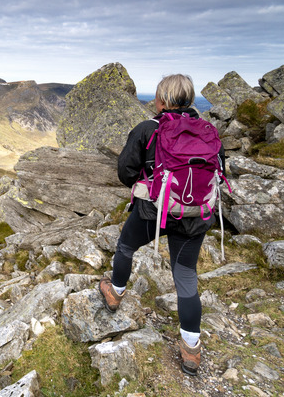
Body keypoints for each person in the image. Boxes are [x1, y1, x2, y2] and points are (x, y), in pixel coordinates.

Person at [98, 73, 225, 377]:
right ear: (190, 100)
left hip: (153, 211)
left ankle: (114, 294)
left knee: (126, 246)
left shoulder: (148, 129)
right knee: (185, 275)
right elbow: (219, 170)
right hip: (196, 214)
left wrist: (150, 184)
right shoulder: (209, 132)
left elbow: (125, 171)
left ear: (162, 101)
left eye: (156, 97)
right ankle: (191, 349)